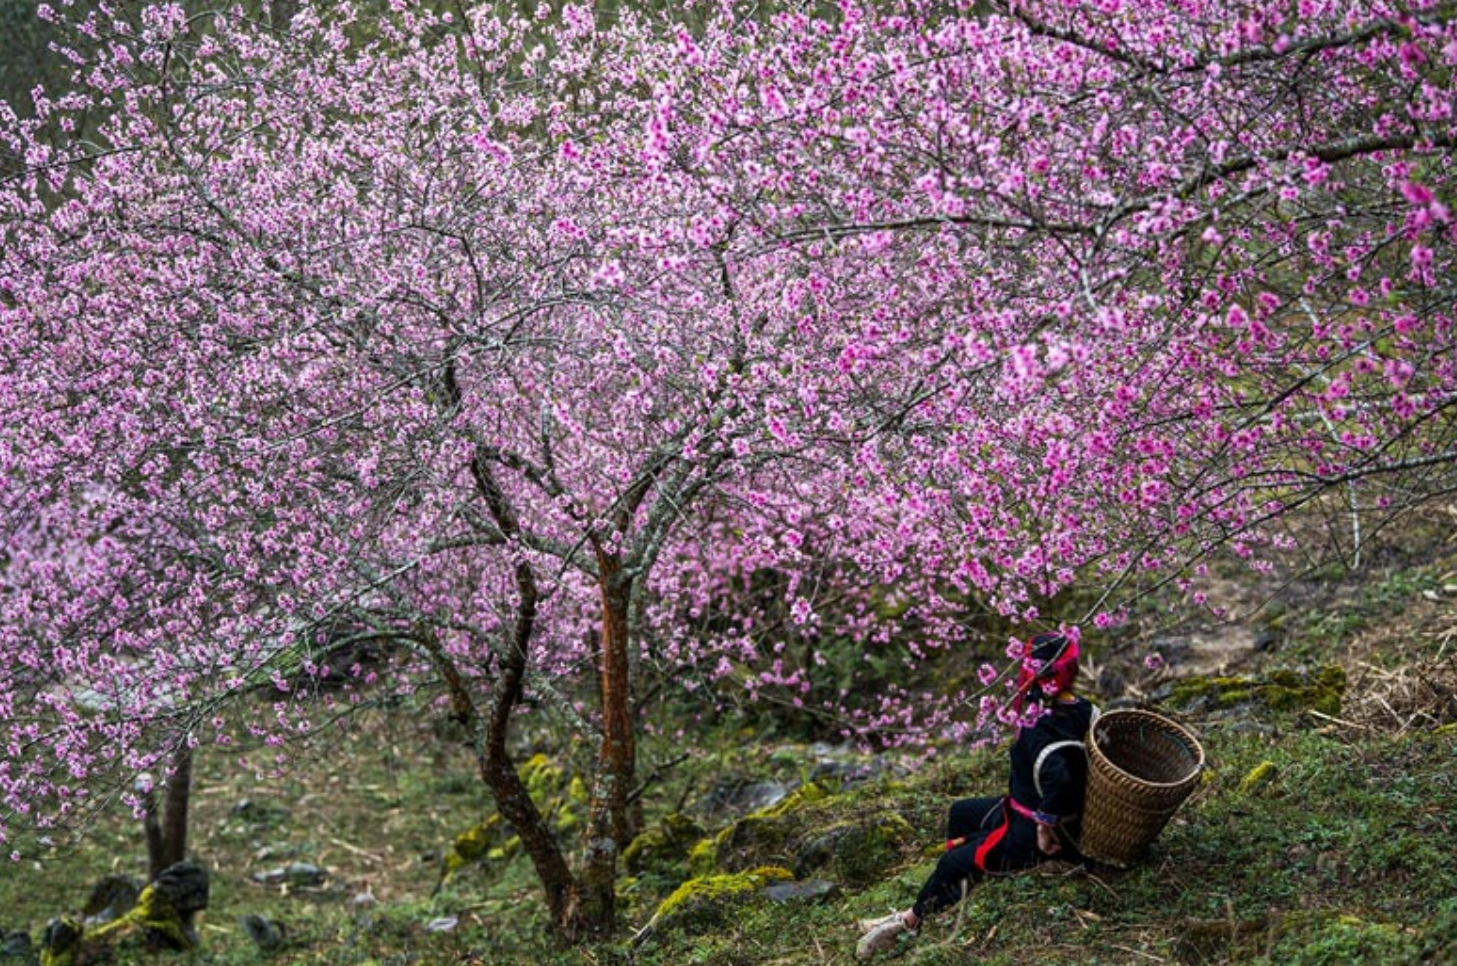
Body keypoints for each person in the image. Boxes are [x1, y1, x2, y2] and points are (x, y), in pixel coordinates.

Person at [855, 632, 1097, 960]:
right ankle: (962, 881)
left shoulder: (1038, 721)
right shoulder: (1085, 710)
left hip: (1041, 833)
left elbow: (1060, 777)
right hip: (1021, 808)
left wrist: (1045, 825)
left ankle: (911, 921)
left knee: (953, 861)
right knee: (961, 812)